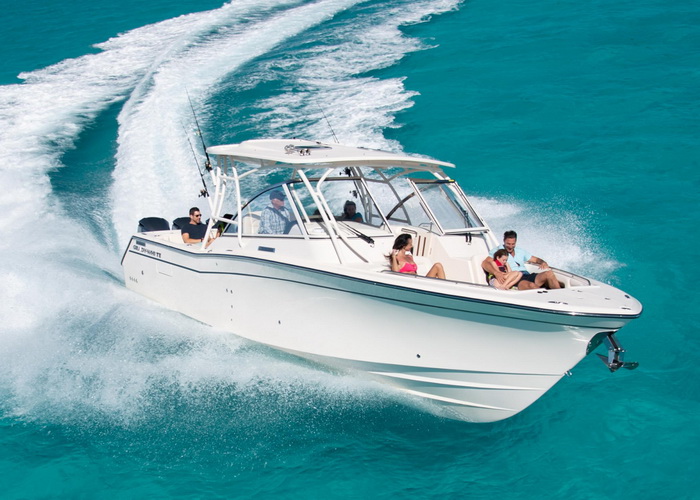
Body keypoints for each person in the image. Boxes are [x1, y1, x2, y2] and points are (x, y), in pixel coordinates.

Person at [483, 230, 561, 290]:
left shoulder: (520, 251)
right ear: (504, 241)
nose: (510, 246)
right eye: (508, 244)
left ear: (515, 242)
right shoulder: (498, 250)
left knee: (549, 273)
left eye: (513, 244)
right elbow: (485, 263)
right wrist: (496, 273)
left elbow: (535, 259)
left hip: (527, 275)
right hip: (515, 279)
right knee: (531, 286)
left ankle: (561, 297)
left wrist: (543, 262)